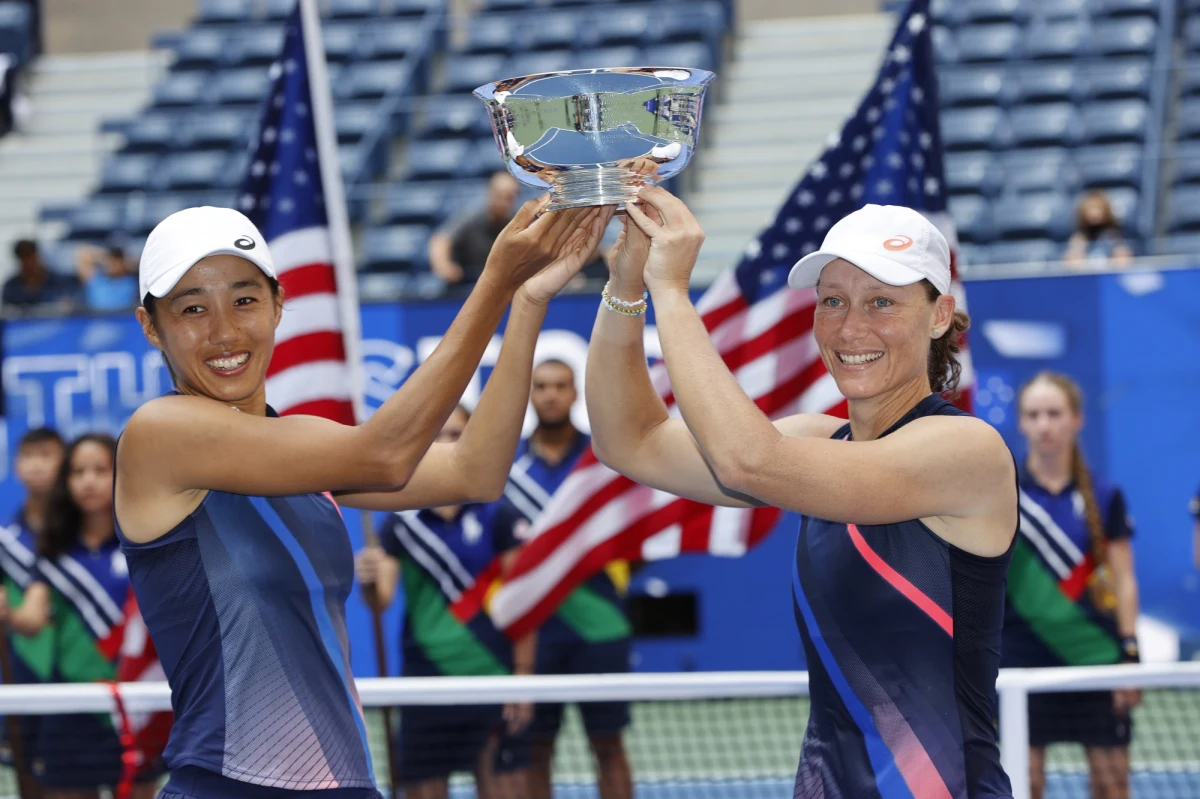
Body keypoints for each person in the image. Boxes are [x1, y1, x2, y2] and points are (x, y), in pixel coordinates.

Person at [112, 198, 608, 798]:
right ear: (149, 326)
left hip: (346, 784)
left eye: (244, 299)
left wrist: (527, 300)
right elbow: (387, 456)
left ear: (277, 305)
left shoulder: (295, 448)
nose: (224, 331)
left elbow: (475, 472)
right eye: (192, 308)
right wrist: (495, 280)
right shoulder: (159, 434)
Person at [587, 190, 1018, 798]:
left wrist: (673, 293)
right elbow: (629, 440)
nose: (850, 326)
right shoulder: (820, 440)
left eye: (882, 303)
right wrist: (626, 286)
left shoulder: (965, 450)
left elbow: (748, 462)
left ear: (941, 314)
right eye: (832, 300)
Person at [355, 406, 534, 799]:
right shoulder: (401, 522)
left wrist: (523, 679)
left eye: (456, 434)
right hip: (425, 684)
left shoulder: (499, 514)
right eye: (437, 435)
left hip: (492, 680)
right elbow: (380, 600)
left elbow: (523, 604)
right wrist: (368, 580)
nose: (445, 443)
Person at [1004, 372, 1141, 799]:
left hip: (1093, 659)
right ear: (1022, 423)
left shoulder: (1104, 495)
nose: (1045, 424)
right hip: (1019, 663)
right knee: (1025, 784)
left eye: (1054, 413)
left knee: (1112, 783)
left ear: (1076, 420)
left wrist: (1129, 654)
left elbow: (1123, 578)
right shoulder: (1001, 494)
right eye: (1034, 414)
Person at [502, 359, 634, 799]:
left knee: (608, 745)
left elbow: (634, 535)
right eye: (541, 387)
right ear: (531, 395)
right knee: (536, 748)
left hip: (600, 626)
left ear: (575, 393)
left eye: (560, 386)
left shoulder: (601, 459)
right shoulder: (507, 464)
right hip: (533, 633)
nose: (551, 395)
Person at [1, 433, 158, 799]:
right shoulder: (54, 547)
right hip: (72, 702)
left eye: (101, 470)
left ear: (120, 474)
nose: (89, 481)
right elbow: (32, 620)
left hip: (136, 703)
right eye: (78, 472)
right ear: (65, 482)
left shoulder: (144, 540)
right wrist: (9, 613)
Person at [0, 427, 63, 774]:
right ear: (16, 465)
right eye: (28, 456)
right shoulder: (6, 539)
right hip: (23, 670)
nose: (36, 465)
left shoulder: (85, 534)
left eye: (46, 455)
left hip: (83, 668)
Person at [1063, 191, 1133, 269]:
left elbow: (1123, 262)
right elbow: (1072, 264)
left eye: (1097, 208)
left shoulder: (1114, 236)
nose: (1094, 213)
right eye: (1091, 209)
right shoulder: (1079, 237)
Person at [3, 239, 76, 311]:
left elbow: (68, 304)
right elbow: (7, 312)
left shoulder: (57, 282)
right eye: (24, 258)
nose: (28, 263)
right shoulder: (11, 287)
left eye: (30, 257)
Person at [76, 241, 139, 311]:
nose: (114, 263)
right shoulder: (95, 280)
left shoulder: (132, 281)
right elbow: (83, 253)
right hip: (96, 319)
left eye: (118, 259)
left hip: (125, 319)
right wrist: (104, 256)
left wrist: (127, 263)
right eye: (111, 259)